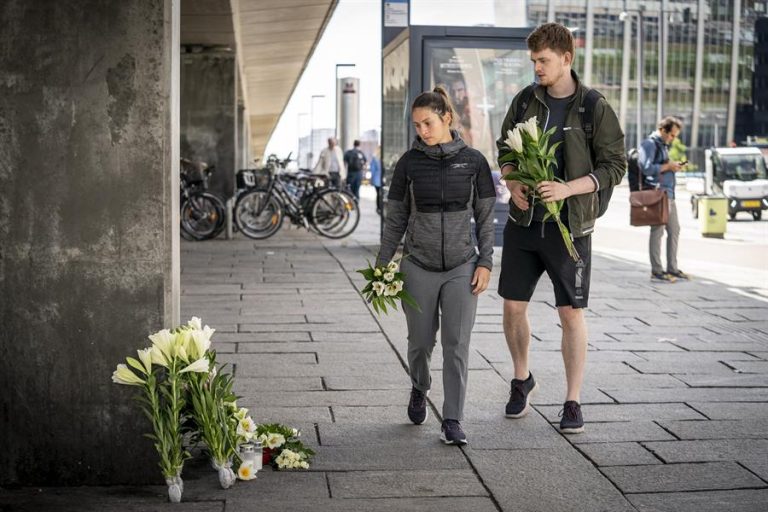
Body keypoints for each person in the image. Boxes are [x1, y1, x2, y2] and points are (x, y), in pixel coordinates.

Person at [496, 23, 626, 434]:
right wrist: (513, 182)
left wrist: (569, 188)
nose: (536, 68)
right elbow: (504, 148)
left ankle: (573, 400)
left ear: (566, 59)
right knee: (513, 307)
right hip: (523, 221)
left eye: (543, 61)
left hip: (571, 226)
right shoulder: (524, 100)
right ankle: (522, 379)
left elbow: (615, 166)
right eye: (533, 61)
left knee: (570, 313)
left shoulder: (593, 106)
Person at [377, 86, 496, 445]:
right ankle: (419, 385)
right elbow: (395, 220)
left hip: (462, 265)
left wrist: (486, 262)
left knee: (457, 344)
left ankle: (453, 419)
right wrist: (383, 267)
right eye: (417, 125)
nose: (422, 131)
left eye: (427, 123)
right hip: (418, 266)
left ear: (446, 117)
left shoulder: (474, 161)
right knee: (420, 343)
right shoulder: (409, 164)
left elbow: (486, 217)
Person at [639, 117, 688, 283]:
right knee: (657, 231)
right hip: (658, 194)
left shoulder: (662, 145)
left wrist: (673, 166)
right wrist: (668, 166)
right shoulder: (650, 144)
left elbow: (661, 166)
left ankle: (672, 268)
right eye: (672, 135)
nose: (673, 139)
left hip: (669, 194)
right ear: (663, 130)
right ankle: (657, 271)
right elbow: (646, 168)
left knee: (675, 230)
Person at [370, 146, 383, 215]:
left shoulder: (375, 158)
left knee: (378, 194)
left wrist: (372, 178)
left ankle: (378, 207)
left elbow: (372, 170)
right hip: (381, 179)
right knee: (381, 194)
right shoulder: (382, 157)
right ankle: (380, 207)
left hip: (376, 179)